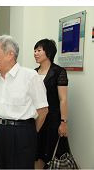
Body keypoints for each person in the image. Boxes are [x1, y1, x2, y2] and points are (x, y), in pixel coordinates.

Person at [0, 35, 48, 169]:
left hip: (23, 133)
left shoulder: (30, 76)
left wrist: (30, 135)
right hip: (0, 131)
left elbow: (43, 110)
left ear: (10, 54)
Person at [34, 38, 69, 169]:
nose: (35, 53)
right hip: (36, 118)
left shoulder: (59, 72)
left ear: (48, 52)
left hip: (52, 119)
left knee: (49, 152)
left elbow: (63, 99)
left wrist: (63, 122)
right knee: (36, 151)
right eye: (35, 50)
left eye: (39, 50)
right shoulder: (33, 72)